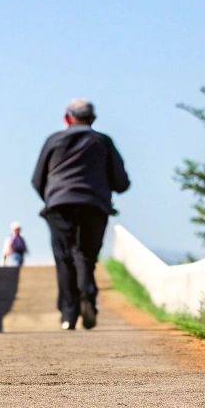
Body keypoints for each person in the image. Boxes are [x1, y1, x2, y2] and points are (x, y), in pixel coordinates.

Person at [31, 97, 130, 330]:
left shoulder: (53, 140)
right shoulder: (102, 142)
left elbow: (37, 180)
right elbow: (121, 182)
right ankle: (88, 295)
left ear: (67, 118)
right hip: (93, 206)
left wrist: (52, 197)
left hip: (59, 205)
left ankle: (68, 314)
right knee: (85, 254)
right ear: (93, 118)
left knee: (64, 257)